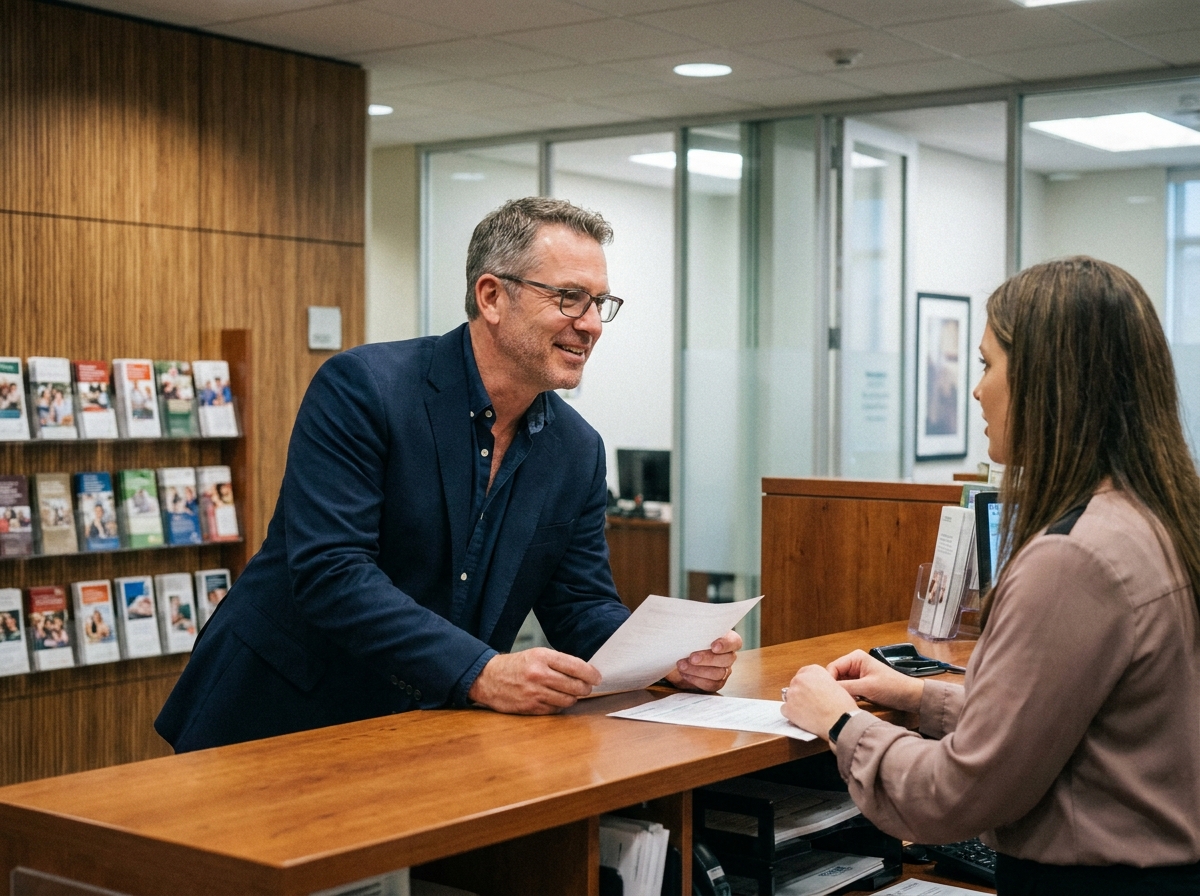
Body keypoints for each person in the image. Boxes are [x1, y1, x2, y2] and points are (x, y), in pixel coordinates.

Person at [157, 197, 740, 752]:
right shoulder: (364, 388)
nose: (591, 325)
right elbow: (331, 573)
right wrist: (480, 671)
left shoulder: (576, 448)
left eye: (600, 303)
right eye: (569, 298)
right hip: (279, 714)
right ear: (491, 296)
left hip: (430, 732)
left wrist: (668, 660)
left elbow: (581, 605)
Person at [782, 257, 1200, 895]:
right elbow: (1071, 726)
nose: (976, 390)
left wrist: (840, 722)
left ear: (1047, 380)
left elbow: (958, 794)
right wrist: (919, 698)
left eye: (986, 364)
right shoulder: (1159, 521)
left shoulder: (1074, 558)